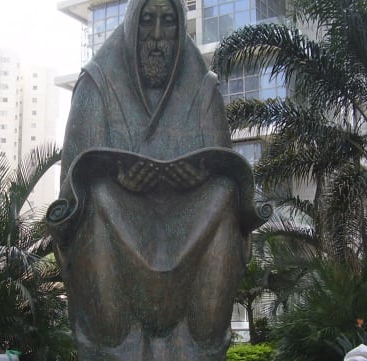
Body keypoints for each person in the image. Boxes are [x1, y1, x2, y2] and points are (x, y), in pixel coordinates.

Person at [46, 0, 269, 359]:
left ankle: (201, 342)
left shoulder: (203, 88)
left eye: (168, 22)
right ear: (132, 24)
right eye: (147, 21)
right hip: (116, 225)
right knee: (99, 192)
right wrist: (116, 176)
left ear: (181, 29)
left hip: (189, 232)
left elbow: (227, 168)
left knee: (224, 192)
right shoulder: (97, 85)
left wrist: (200, 174)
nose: (156, 35)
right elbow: (70, 194)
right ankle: (116, 342)